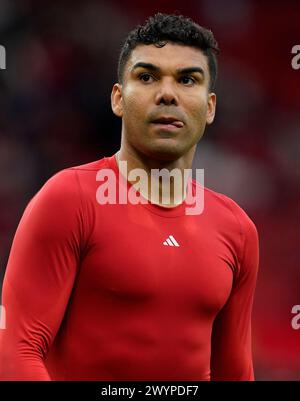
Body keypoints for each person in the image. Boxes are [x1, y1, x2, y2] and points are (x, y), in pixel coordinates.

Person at [0, 13, 259, 381]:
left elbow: (235, 372)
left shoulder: (237, 229)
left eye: (187, 79)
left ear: (211, 106)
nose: (167, 93)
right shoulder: (68, 199)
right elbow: (16, 351)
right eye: (147, 76)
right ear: (118, 99)